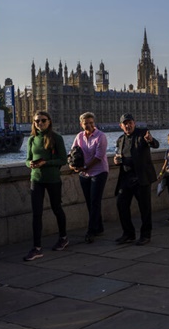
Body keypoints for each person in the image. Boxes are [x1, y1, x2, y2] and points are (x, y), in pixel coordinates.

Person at [24, 111, 68, 261]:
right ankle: (36, 247)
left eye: (43, 120)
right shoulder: (31, 139)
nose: (40, 123)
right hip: (36, 179)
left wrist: (46, 163)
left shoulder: (57, 138)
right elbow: (27, 159)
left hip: (53, 179)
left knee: (57, 209)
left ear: (49, 122)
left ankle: (63, 237)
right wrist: (29, 164)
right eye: (37, 121)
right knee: (36, 214)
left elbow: (63, 160)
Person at [114, 113, 160, 245]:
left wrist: (150, 140)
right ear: (121, 126)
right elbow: (119, 155)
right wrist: (118, 161)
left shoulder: (143, 134)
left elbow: (155, 144)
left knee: (144, 208)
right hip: (126, 177)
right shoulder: (120, 139)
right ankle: (128, 233)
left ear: (134, 123)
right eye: (125, 123)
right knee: (121, 204)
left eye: (130, 122)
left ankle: (146, 235)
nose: (128, 125)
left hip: (141, 177)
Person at [70, 112, 108, 244]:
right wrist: (72, 165)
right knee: (90, 202)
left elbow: (99, 157)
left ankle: (91, 231)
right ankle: (99, 227)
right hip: (84, 174)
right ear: (81, 124)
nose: (89, 125)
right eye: (86, 123)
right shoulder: (79, 136)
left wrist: (85, 166)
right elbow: (73, 152)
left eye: (91, 122)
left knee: (95, 201)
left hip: (99, 172)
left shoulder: (100, 136)